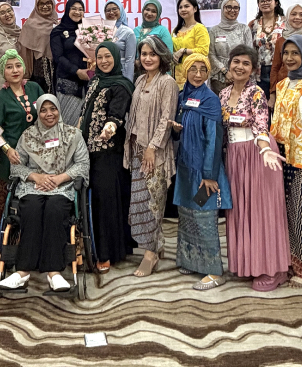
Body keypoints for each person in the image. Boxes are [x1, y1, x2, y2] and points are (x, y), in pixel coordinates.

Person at [0, 95, 90, 291]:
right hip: (34, 186)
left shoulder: (73, 135)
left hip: (62, 185)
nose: (49, 114)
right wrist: (35, 177)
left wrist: (60, 178)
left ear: (59, 110)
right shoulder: (28, 136)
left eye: (53, 109)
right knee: (31, 208)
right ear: (37, 113)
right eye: (43, 110)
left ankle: (54, 272)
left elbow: (83, 164)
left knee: (54, 209)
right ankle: (22, 272)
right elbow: (17, 166)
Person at [219, 45, 290, 291]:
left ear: (253, 69)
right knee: (241, 210)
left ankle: (274, 269)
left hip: (258, 153)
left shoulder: (256, 92)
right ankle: (250, 264)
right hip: (235, 155)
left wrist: (264, 149)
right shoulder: (223, 93)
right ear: (229, 64)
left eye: (246, 63)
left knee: (262, 211)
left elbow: (261, 126)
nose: (240, 67)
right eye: (236, 61)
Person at [171, 54, 232, 290]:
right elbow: (177, 131)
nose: (198, 74)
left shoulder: (210, 100)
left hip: (204, 172)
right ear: (185, 72)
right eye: (193, 69)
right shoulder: (183, 97)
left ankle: (214, 271)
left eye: (203, 70)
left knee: (204, 217)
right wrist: (176, 130)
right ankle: (192, 261)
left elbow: (214, 139)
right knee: (187, 215)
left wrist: (209, 175)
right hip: (186, 168)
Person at [269, 35, 302, 288]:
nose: (290, 58)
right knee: (285, 212)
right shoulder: (282, 84)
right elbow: (276, 121)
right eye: (286, 53)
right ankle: (287, 261)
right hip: (282, 156)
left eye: (295, 53)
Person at [124, 36, 178, 277]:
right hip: (136, 149)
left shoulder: (167, 83)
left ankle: (150, 254)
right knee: (140, 201)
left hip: (155, 152)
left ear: (161, 56)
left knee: (153, 202)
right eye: (144, 54)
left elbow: (167, 119)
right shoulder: (139, 80)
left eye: (152, 54)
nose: (147, 58)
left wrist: (152, 147)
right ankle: (155, 244)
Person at [79, 41, 135, 273]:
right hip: (87, 150)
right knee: (90, 199)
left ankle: (107, 252)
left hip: (108, 152)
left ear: (116, 58)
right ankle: (91, 246)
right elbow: (85, 111)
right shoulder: (95, 81)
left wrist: (109, 128)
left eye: (108, 57)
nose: (103, 61)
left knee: (106, 201)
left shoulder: (121, 85)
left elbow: (116, 114)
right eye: (100, 57)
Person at [0, 50, 43, 229]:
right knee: (7, 204)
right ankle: (5, 241)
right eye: (9, 67)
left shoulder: (34, 88)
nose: (15, 70)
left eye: (18, 65)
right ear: (3, 72)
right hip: (10, 156)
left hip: (34, 154)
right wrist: (7, 150)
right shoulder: (0, 98)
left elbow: (47, 113)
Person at [50, 0, 88, 125]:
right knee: (68, 123)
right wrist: (76, 71)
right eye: (74, 9)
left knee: (85, 123)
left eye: (81, 9)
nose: (77, 12)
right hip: (67, 81)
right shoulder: (57, 31)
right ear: (67, 10)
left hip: (87, 81)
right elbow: (58, 57)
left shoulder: (88, 30)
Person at [208, 0, 252, 95]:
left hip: (240, 74)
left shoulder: (244, 29)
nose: (232, 10)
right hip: (219, 78)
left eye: (236, 8)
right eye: (228, 7)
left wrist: (235, 72)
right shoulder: (214, 31)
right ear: (222, 9)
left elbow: (249, 54)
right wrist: (225, 71)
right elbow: (211, 54)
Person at [18, 0, 59, 93]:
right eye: (41, 4)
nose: (45, 6)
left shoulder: (57, 24)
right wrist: (25, 75)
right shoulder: (29, 25)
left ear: (53, 4)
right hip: (38, 71)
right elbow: (25, 52)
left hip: (56, 71)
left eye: (48, 3)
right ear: (36, 6)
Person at [249, 0, 286, 97]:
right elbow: (249, 46)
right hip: (259, 70)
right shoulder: (253, 24)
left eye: (269, 0)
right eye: (262, 1)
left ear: (276, 3)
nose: (265, 3)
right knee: (261, 100)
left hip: (280, 67)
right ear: (258, 4)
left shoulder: (285, 22)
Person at [171, 0, 210, 89]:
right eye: (180, 7)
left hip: (193, 75)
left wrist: (183, 50)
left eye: (186, 6)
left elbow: (203, 51)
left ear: (195, 9)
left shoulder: (199, 28)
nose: (183, 9)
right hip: (176, 75)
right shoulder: (176, 30)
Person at [103, 0, 137, 81]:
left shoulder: (128, 33)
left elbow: (130, 60)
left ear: (121, 10)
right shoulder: (100, 31)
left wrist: (128, 82)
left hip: (121, 75)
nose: (111, 12)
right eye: (108, 10)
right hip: (104, 74)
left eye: (114, 9)